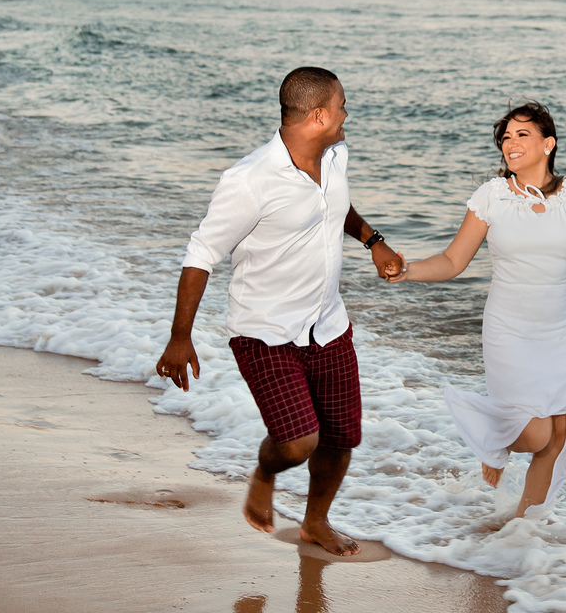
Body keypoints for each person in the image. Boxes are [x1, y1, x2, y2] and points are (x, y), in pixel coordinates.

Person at [155, 66, 403, 556]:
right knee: (297, 443)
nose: (346, 114)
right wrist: (179, 337)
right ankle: (266, 470)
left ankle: (315, 522)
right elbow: (201, 253)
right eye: (341, 106)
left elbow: (336, 207)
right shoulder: (249, 181)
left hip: (328, 325)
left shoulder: (335, 158)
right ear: (317, 115)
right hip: (264, 330)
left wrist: (374, 241)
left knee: (339, 437)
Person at [387, 101, 566, 518]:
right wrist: (408, 270)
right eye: (506, 137)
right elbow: (454, 260)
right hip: (509, 333)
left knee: (557, 437)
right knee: (536, 431)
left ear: (549, 144)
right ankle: (495, 442)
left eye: (521, 134)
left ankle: (523, 527)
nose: (510, 143)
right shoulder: (491, 197)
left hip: (564, 334)